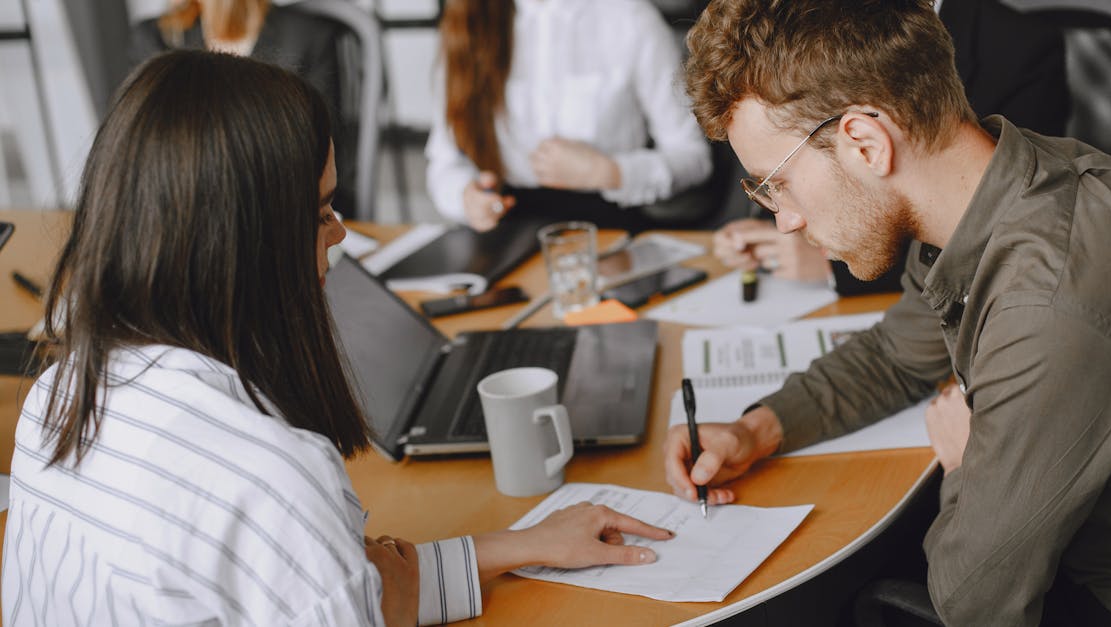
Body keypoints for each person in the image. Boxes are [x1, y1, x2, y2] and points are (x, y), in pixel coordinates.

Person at [2, 50, 672, 626]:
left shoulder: (58, 400)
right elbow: (331, 580)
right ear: (246, 242)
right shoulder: (269, 476)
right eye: (322, 211)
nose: (342, 233)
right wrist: (398, 607)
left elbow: (312, 584)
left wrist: (522, 543)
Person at [664, 1, 1111, 625]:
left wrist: (966, 463)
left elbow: (973, 602)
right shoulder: (990, 185)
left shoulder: (1051, 304)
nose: (783, 219)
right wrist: (757, 431)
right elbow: (897, 355)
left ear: (865, 143)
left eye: (775, 183)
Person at [713, 0, 1071, 295]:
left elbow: (987, 208)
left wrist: (826, 266)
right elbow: (797, 139)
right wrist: (764, 231)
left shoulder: (1020, 48)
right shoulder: (815, 26)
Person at [425, 0, 714, 233]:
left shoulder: (631, 18)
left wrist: (611, 172)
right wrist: (465, 198)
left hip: (608, 225)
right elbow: (443, 161)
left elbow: (693, 157)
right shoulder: (467, 21)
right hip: (506, 228)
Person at [129, 0, 361, 218]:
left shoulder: (309, 35)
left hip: (286, 210)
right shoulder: (158, 39)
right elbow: (149, 153)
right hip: (185, 213)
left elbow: (322, 148)